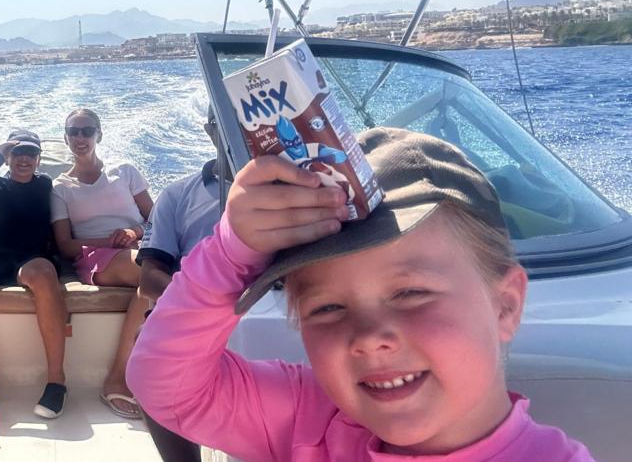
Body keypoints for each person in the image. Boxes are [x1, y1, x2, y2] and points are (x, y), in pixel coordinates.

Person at [128, 128, 593, 461]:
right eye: (327, 307)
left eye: (410, 292)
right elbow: (165, 386)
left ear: (505, 305)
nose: (369, 338)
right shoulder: (310, 418)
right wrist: (232, 253)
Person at [135, 107, 227, 462]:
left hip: (282, 306)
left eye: (245, 119)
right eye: (225, 120)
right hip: (198, 313)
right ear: (209, 130)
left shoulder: (300, 188)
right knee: (147, 345)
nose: (238, 129)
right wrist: (212, 304)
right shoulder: (176, 195)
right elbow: (149, 279)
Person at [51, 108, 154, 418]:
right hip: (95, 256)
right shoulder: (59, 188)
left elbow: (155, 219)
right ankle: (117, 378)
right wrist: (110, 240)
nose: (80, 137)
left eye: (87, 130)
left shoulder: (126, 171)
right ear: (65, 138)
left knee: (153, 285)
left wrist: (133, 232)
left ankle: (151, 374)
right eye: (73, 131)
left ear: (99, 134)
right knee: (155, 274)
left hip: (140, 246)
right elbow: (65, 245)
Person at [0, 130, 68, 418]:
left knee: (43, 274)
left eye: (31, 153)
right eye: (17, 152)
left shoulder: (45, 184)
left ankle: (57, 381)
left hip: (33, 259)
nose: (24, 158)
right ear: (7, 157)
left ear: (39, 159)